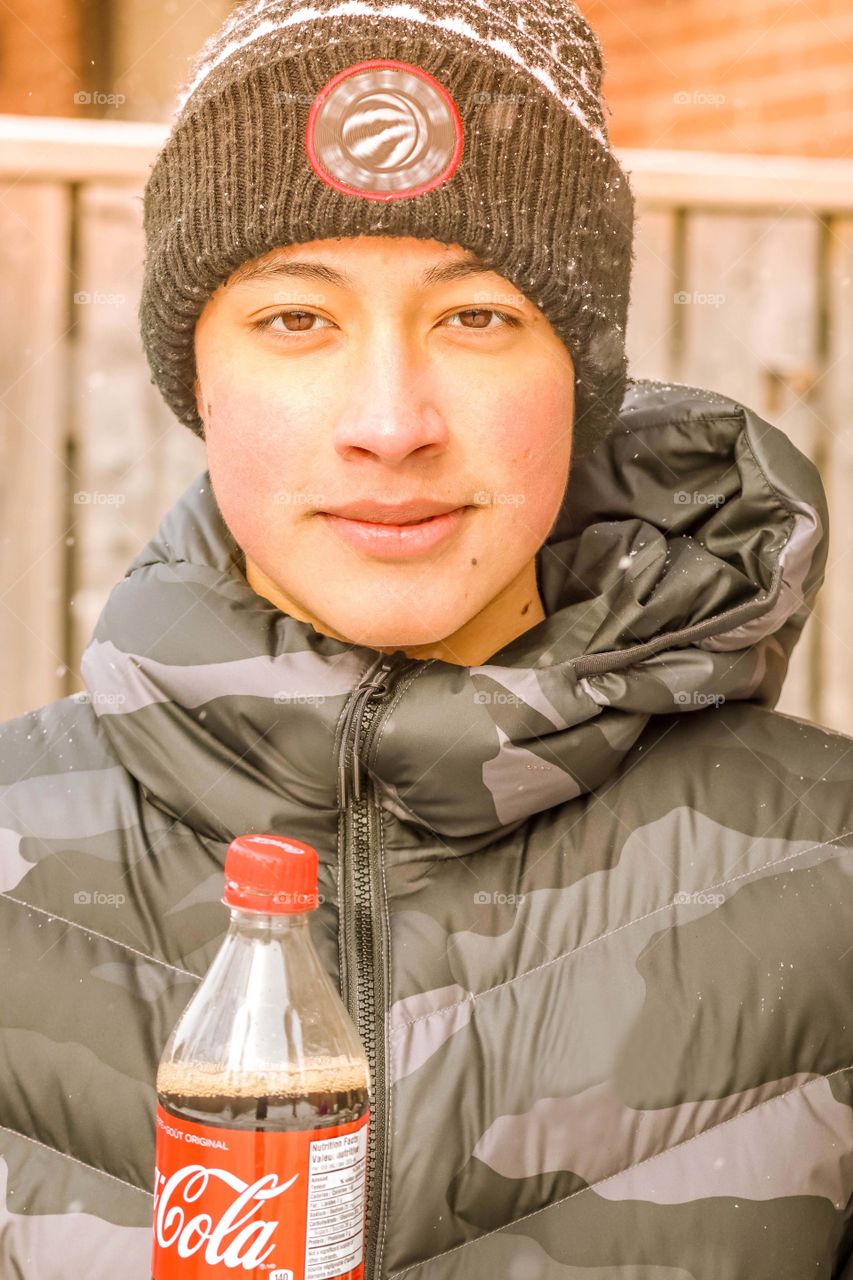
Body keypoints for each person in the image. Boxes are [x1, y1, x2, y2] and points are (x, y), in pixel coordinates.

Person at [1, 0, 852, 1276]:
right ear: (198, 380)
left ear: (583, 374)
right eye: (296, 318)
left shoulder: (829, 873)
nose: (391, 421)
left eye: (478, 318)